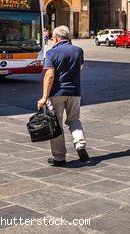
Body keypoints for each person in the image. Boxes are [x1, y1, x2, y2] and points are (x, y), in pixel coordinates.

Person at [37, 25, 88, 166]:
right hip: (75, 92)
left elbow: (49, 75)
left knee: (56, 125)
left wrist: (44, 97)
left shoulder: (51, 53)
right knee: (74, 120)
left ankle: (59, 158)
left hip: (57, 93)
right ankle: (80, 144)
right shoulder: (79, 51)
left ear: (55, 38)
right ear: (68, 37)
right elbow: (80, 68)